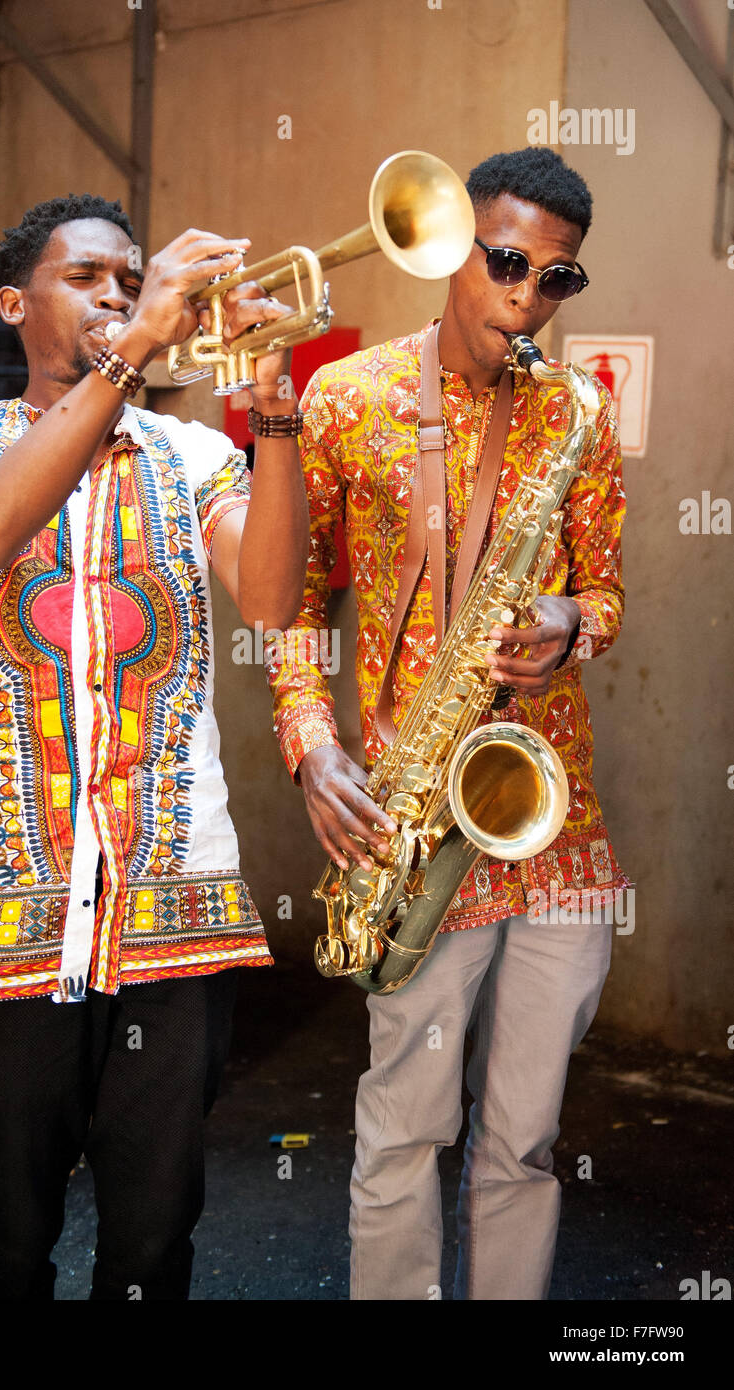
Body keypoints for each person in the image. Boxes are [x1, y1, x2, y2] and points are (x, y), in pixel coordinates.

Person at [0, 193, 308, 1300]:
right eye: (88, 277)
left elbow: (273, 600)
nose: (120, 295)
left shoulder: (191, 455)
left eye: (132, 281)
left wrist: (273, 416)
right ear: (13, 303)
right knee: (7, 1234)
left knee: (151, 1241)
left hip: (172, 914)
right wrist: (130, 354)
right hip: (10, 907)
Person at [266, 148, 627, 1300]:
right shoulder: (348, 397)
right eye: (509, 260)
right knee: (405, 1131)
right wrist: (312, 746)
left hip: (551, 825)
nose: (527, 295)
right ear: (450, 246)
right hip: (418, 829)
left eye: (556, 279)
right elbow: (284, 604)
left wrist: (575, 620)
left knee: (522, 1143)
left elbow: (610, 593)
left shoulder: (577, 413)